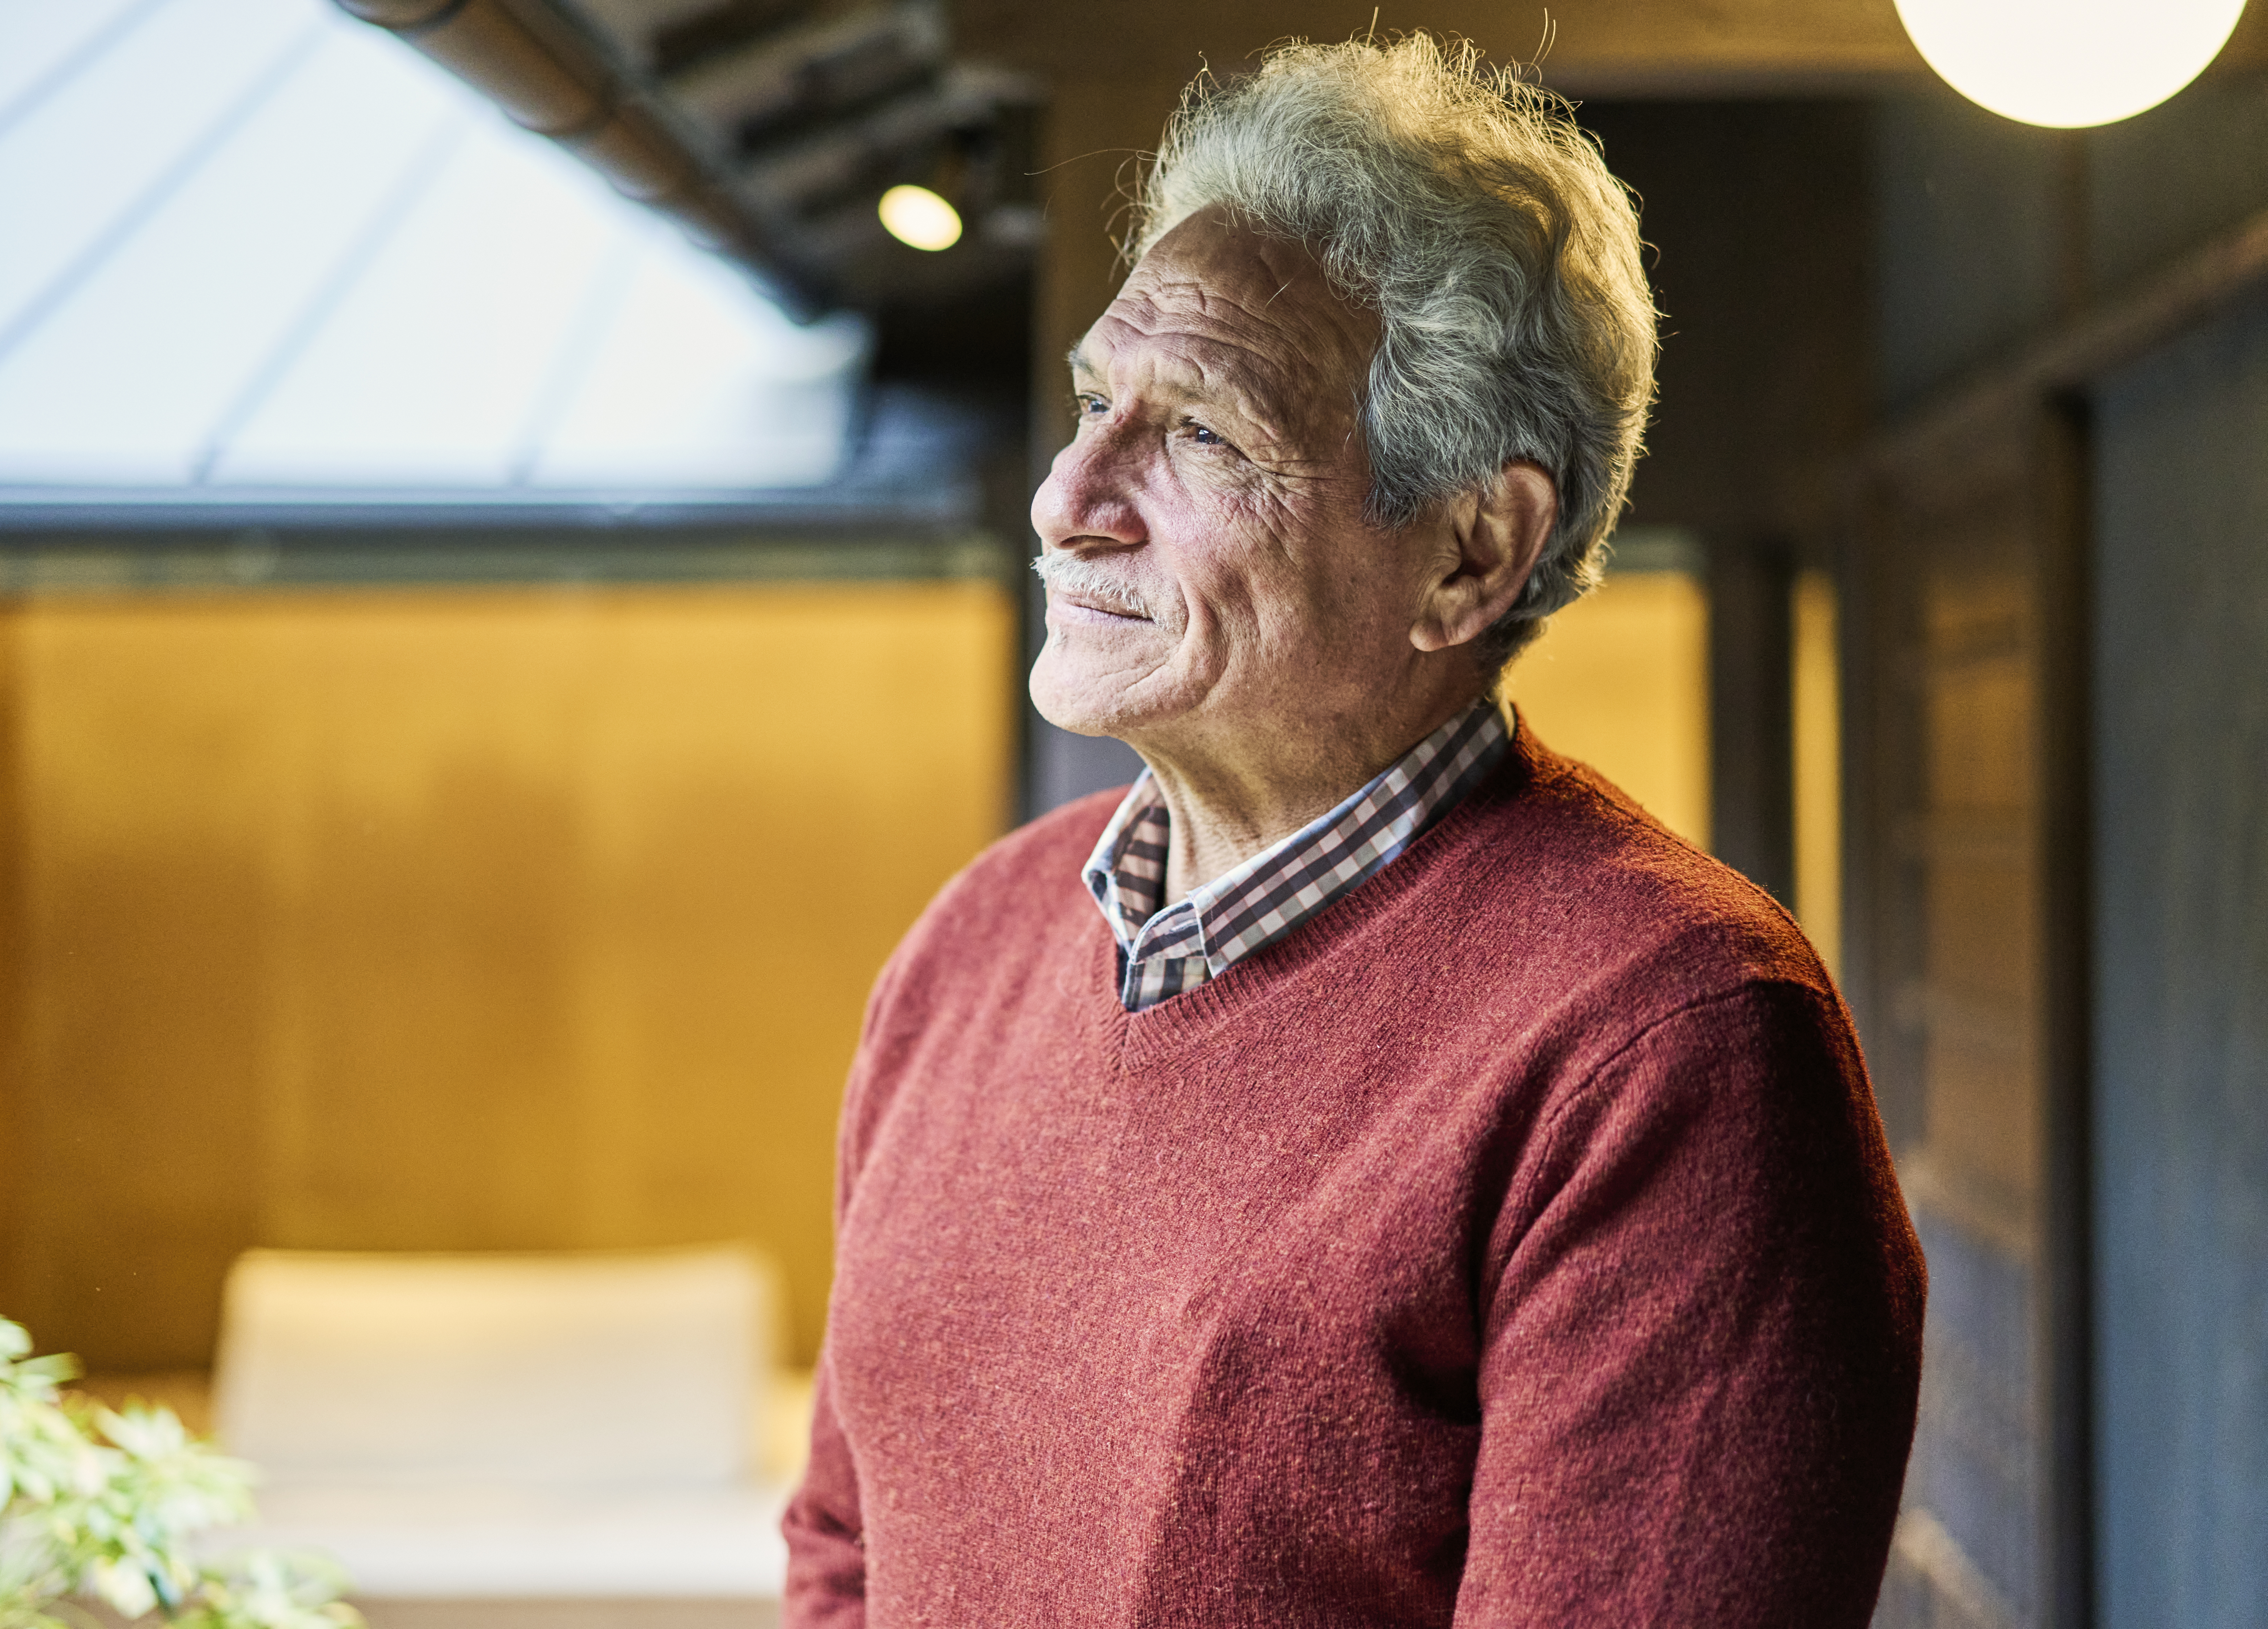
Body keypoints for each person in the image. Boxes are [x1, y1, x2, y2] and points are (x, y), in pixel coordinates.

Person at [783, 33, 1924, 1628]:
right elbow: (846, 1546)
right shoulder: (970, 946)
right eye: (1099, 399)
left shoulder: (1676, 1042)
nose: (1068, 497)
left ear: (1472, 549)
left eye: (1199, 434)